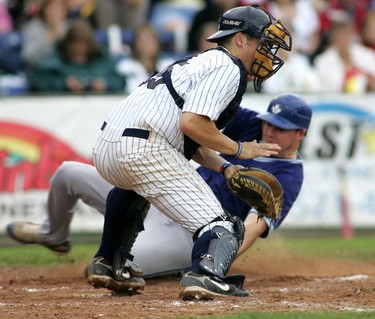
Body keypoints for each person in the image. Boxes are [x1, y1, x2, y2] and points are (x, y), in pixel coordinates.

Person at [88, 4, 291, 300]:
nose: (266, 53)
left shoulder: (201, 62)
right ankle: (205, 275)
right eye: (262, 42)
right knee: (223, 227)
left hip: (110, 147)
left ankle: (108, 260)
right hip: (144, 148)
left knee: (133, 188)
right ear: (239, 39)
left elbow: (187, 136)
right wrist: (239, 149)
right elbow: (192, 123)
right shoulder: (228, 67)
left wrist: (225, 167)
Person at [6, 93, 312, 280]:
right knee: (67, 174)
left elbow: (254, 226)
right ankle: (53, 234)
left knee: (110, 264)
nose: (270, 131)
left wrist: (215, 259)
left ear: (300, 134)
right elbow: (208, 109)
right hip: (162, 193)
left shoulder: (289, 177)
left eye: (281, 128)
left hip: (188, 235)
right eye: (270, 122)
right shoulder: (253, 126)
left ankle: (169, 262)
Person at [28, 18, 124, 93]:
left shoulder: (101, 61)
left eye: (84, 43)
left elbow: (120, 81)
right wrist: (64, 83)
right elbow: (37, 81)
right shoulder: (56, 61)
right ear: (68, 43)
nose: (80, 47)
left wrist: (105, 84)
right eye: (76, 43)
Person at [313, 12, 375, 93]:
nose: (342, 39)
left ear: (352, 35)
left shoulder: (367, 54)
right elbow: (323, 89)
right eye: (339, 35)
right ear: (333, 37)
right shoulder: (322, 61)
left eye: (346, 35)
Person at [116, 24, 175, 95]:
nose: (146, 44)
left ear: (158, 43)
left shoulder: (169, 66)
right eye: (142, 40)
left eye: (150, 39)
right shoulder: (125, 67)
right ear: (135, 44)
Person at [20, 0, 69, 68]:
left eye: (60, 8)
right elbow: (28, 58)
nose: (55, 12)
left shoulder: (70, 27)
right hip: (40, 71)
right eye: (52, 8)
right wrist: (50, 36)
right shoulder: (33, 28)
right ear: (44, 10)